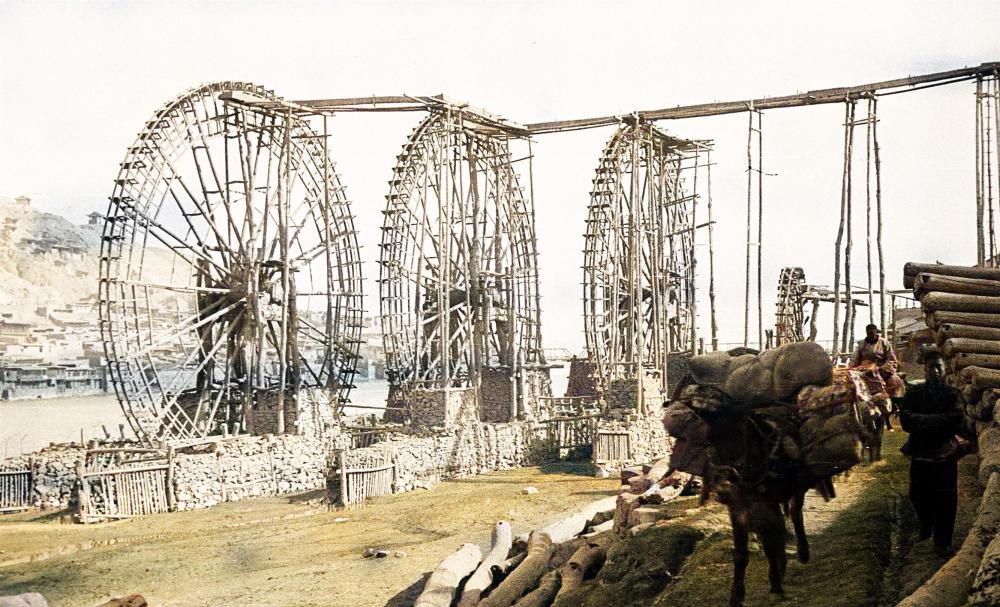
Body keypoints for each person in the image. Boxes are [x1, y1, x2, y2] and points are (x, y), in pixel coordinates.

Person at [898, 350, 964, 556]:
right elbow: (906, 420)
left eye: (939, 367)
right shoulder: (915, 393)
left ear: (945, 370)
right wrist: (936, 421)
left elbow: (955, 419)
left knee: (946, 500)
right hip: (920, 455)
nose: (935, 371)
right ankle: (925, 525)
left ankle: (942, 542)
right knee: (918, 496)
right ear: (925, 370)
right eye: (931, 367)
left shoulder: (952, 394)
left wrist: (923, 422)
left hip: (944, 455)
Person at [851, 324, 903, 430]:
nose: (871, 335)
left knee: (896, 382)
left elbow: (891, 359)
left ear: (876, 333)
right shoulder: (861, 344)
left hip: (882, 368)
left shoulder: (884, 342)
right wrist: (855, 369)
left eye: (873, 333)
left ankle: (894, 406)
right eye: (869, 333)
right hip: (864, 371)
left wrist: (881, 369)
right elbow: (855, 360)